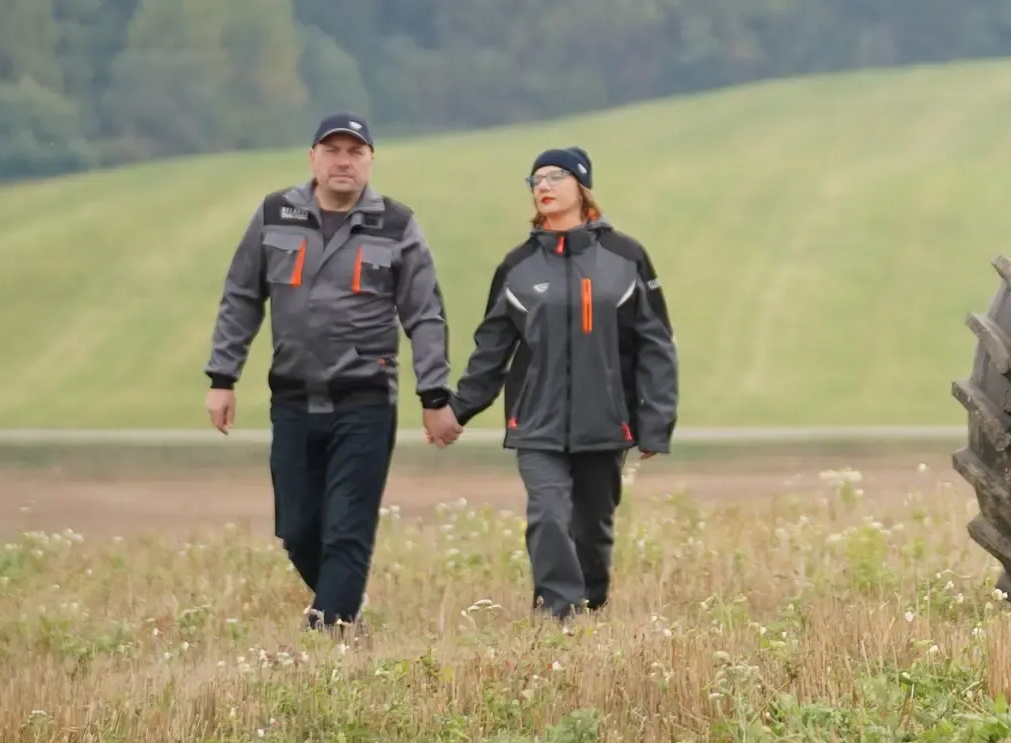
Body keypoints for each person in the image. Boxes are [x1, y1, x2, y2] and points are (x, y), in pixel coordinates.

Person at [202, 112, 451, 631]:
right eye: (332, 150)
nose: (343, 161)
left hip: (364, 398)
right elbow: (241, 297)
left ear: (371, 161)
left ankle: (331, 633)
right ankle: (344, 608)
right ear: (312, 157)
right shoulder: (275, 214)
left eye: (355, 152)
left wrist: (434, 395)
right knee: (295, 528)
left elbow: (425, 314)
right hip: (292, 397)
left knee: (347, 528)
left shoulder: (397, 225)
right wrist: (223, 378)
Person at [435, 146, 677, 619]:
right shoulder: (518, 266)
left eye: (554, 176)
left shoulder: (626, 258)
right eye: (535, 180)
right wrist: (457, 408)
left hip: (607, 420)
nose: (542, 186)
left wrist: (656, 420)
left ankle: (591, 605)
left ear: (582, 187)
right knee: (547, 516)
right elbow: (492, 348)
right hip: (537, 423)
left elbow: (656, 344)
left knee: (593, 529)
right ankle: (559, 615)